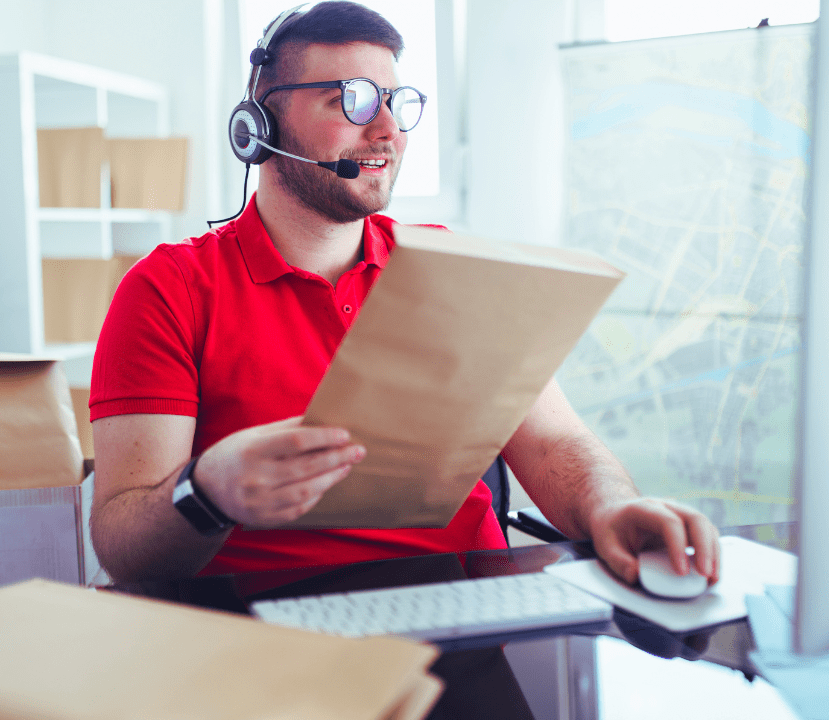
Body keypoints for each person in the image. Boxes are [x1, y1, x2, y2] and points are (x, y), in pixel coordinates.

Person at [88, 1, 720, 587]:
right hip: (269, 625)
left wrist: (613, 506)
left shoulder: (456, 268)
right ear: (258, 124)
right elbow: (122, 545)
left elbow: (554, 441)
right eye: (353, 101)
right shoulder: (168, 290)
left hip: (470, 604)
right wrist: (206, 492)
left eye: (397, 101)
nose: (387, 130)